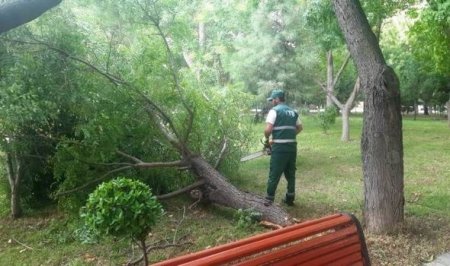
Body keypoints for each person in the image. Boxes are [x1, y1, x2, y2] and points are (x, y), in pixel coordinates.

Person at [264, 89, 302, 206]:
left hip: (279, 148)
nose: (272, 102)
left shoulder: (274, 111)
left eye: (272, 100)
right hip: (292, 147)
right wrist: (288, 135)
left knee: (274, 173)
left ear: (276, 99)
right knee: (290, 173)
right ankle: (290, 198)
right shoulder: (293, 112)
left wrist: (267, 139)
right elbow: (300, 128)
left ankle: (269, 199)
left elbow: (268, 130)